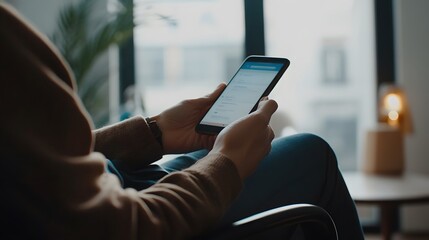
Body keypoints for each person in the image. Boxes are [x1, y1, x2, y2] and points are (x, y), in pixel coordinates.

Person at [0, 3, 364, 240]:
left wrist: (153, 132)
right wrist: (227, 163)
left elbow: (32, 165)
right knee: (312, 154)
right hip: (127, 208)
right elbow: (118, 230)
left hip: (113, 180)